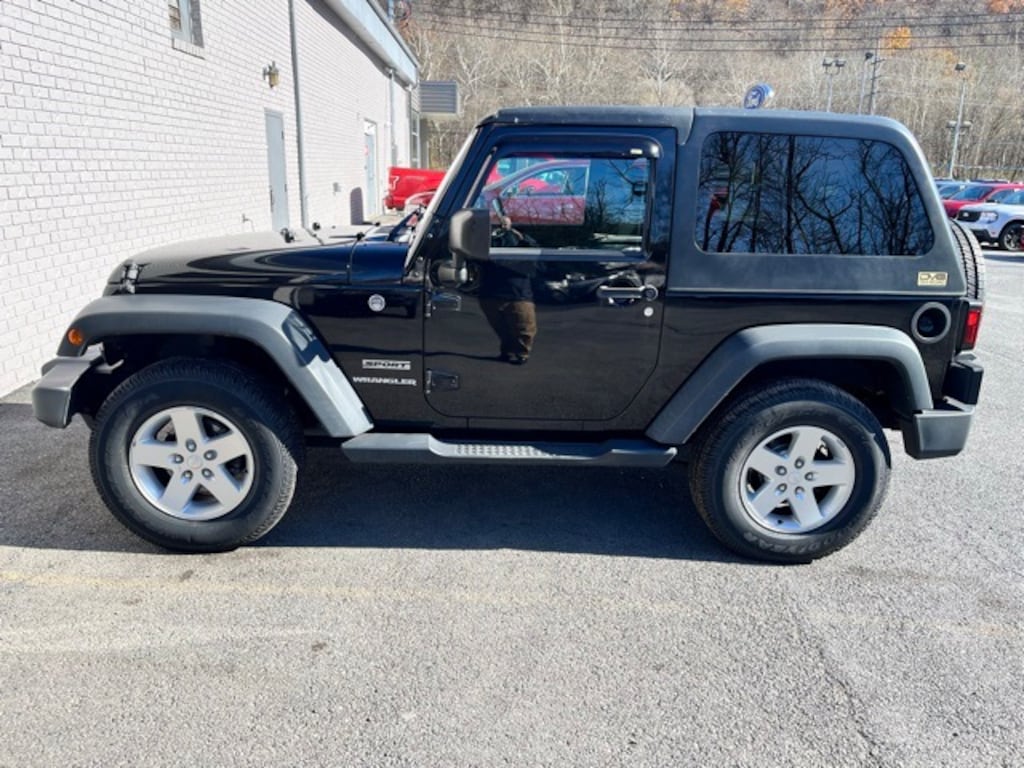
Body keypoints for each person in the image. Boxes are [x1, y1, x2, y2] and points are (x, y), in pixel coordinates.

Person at [478, 215, 537, 365]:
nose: (502, 223)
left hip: (518, 292)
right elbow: (477, 254)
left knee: (524, 327)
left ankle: (521, 354)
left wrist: (512, 231)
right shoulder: (487, 237)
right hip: (491, 291)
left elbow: (533, 251)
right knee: (502, 328)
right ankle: (508, 350)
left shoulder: (522, 238)